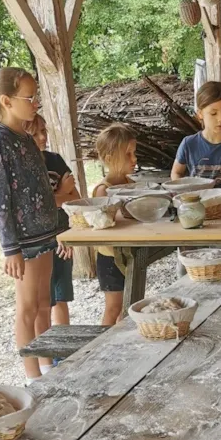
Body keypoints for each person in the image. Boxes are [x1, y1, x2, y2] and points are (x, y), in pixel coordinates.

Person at [0, 68, 57, 383]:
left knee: (43, 303)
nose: (35, 102)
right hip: (24, 241)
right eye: (30, 97)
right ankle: (32, 376)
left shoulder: (25, 135)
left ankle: (48, 365)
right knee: (26, 308)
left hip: (44, 234)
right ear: (7, 101)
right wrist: (10, 249)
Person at [27, 114, 80, 353]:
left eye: (44, 131)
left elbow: (76, 199)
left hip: (61, 239)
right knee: (42, 302)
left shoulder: (55, 161)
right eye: (35, 133)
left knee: (61, 296)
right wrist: (61, 192)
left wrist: (67, 233)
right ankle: (46, 352)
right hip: (39, 242)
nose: (42, 137)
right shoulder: (25, 168)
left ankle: (63, 350)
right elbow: (34, 209)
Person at [90, 124, 137, 326]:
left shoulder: (130, 183)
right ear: (109, 159)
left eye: (134, 153)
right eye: (128, 155)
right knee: (113, 308)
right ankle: (98, 348)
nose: (134, 160)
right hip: (110, 258)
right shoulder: (103, 191)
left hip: (127, 254)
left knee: (130, 305)